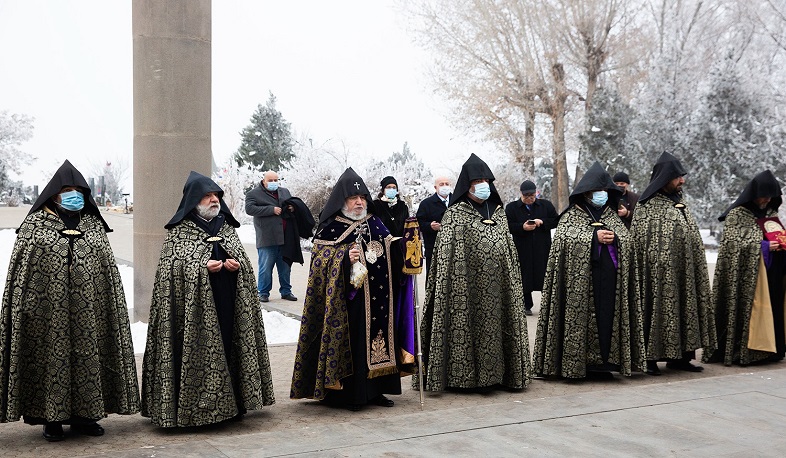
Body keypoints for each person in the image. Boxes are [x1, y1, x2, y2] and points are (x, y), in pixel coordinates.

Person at [0, 160, 139, 441]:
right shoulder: (34, 225)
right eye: (67, 189)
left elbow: (106, 269)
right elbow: (24, 272)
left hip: (90, 311)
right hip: (47, 311)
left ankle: (85, 418)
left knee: (90, 358)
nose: (73, 194)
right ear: (54, 193)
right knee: (51, 359)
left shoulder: (93, 225)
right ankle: (51, 419)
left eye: (78, 189)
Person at [142, 171, 275, 427]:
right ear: (194, 200)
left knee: (229, 346)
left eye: (216, 195)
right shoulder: (179, 232)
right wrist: (201, 267)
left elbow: (244, 263)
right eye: (207, 196)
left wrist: (239, 267)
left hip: (228, 301)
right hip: (192, 312)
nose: (214, 200)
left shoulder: (226, 226)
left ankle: (234, 404)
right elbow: (172, 270)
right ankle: (196, 409)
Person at [290, 167, 416, 411]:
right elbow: (320, 261)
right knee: (356, 343)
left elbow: (390, 248)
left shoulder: (375, 222)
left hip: (381, 298)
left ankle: (376, 391)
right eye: (353, 198)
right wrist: (343, 257)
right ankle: (350, 394)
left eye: (362, 198)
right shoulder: (331, 228)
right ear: (343, 201)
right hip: (349, 304)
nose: (359, 203)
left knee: (380, 339)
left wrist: (408, 244)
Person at [420, 153, 530, 392]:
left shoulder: (499, 212)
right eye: (478, 182)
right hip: (466, 288)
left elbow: (507, 247)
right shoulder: (456, 214)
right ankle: (464, 378)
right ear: (467, 186)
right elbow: (447, 256)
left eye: (486, 181)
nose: (484, 186)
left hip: (499, 286)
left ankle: (503, 375)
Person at [534, 162, 645, 379]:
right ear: (586, 193)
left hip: (610, 282)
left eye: (605, 191)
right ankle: (578, 365)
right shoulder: (572, 215)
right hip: (581, 283)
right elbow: (564, 239)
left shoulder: (611, 215)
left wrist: (616, 238)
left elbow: (626, 238)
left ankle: (605, 364)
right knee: (578, 322)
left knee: (608, 320)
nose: (602, 195)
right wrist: (593, 238)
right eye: (597, 191)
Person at [630, 152, 716, 375]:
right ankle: (649, 359)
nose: (682, 181)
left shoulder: (680, 202)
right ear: (666, 178)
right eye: (678, 177)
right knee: (653, 308)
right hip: (655, 273)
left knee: (685, 309)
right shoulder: (646, 206)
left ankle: (681, 358)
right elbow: (642, 241)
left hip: (684, 269)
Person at [704, 170, 785, 366]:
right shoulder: (737, 215)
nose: (766, 200)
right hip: (746, 278)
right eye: (763, 196)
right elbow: (733, 244)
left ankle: (771, 350)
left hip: (771, 272)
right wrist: (764, 246)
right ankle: (746, 351)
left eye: (769, 196)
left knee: (773, 308)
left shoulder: (771, 214)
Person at [505, 179, 559, 316]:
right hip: (522, 248)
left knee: (545, 277)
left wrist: (543, 222)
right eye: (526, 196)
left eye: (532, 196)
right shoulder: (512, 208)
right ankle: (526, 305)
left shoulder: (545, 206)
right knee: (524, 277)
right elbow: (508, 225)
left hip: (542, 248)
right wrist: (522, 227)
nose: (529, 199)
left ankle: (547, 305)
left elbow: (556, 220)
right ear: (521, 195)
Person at [245, 170, 298, 302]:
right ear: (264, 181)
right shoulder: (253, 194)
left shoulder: (284, 191)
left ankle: (286, 291)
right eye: (270, 180)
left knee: (285, 267)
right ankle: (263, 292)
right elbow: (249, 209)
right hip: (267, 238)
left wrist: (292, 208)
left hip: (285, 237)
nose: (274, 183)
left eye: (276, 180)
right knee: (265, 268)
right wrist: (271, 210)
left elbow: (290, 205)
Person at [416, 176, 452, 273]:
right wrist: (429, 226)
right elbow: (419, 224)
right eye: (441, 184)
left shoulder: (457, 202)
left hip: (454, 248)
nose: (445, 186)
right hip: (433, 248)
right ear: (435, 187)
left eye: (447, 184)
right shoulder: (426, 204)